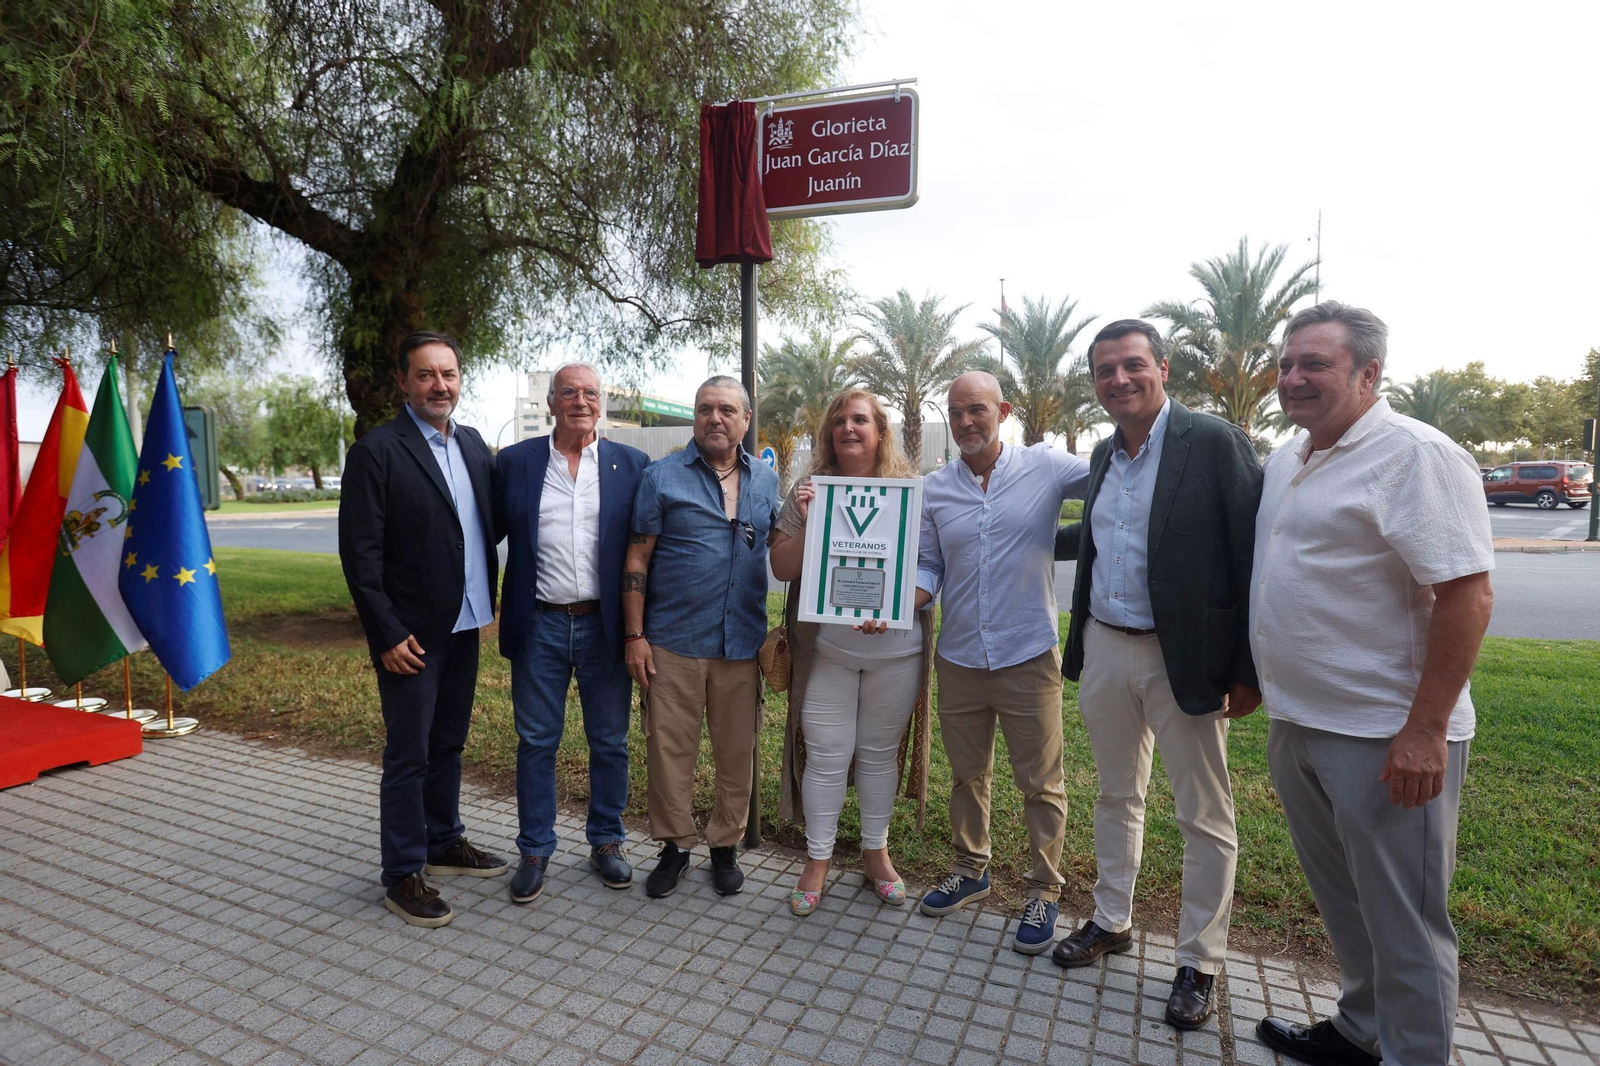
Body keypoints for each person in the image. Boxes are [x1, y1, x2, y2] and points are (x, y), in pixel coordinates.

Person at [1246, 303, 1494, 1066]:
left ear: (1369, 373)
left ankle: (1414, 1054)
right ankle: (1361, 1030)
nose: (1293, 378)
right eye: (1287, 364)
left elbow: (1467, 596)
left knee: (1408, 924)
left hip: (1386, 735)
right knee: (1347, 904)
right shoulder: (1292, 456)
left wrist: (1425, 730)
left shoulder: (1415, 455)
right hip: (1301, 722)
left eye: (1314, 364)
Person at [1048, 320, 1262, 1030]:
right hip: (1108, 649)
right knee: (1115, 796)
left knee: (1204, 814)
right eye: (1105, 371)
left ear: (1163, 368)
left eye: (1132, 365)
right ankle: (1112, 920)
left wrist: (1243, 668)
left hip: (1185, 660)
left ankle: (1200, 960)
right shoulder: (1106, 454)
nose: (1119, 380)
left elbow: (1248, 557)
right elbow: (1108, 539)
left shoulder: (1213, 442)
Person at [914, 370, 1090, 955]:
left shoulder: (1046, 468)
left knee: (1041, 784)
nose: (966, 421)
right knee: (967, 776)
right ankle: (971, 869)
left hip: (1026, 654)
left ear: (1003, 411)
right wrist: (892, 601)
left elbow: (1118, 474)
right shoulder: (935, 489)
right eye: (956, 411)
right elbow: (927, 568)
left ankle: (1044, 887)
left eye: (977, 410)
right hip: (959, 656)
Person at [338, 331, 509, 928]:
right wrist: (385, 634)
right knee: (408, 754)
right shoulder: (376, 452)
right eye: (426, 375)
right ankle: (402, 874)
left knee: (448, 745)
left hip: (465, 624)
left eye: (450, 374)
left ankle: (443, 840)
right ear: (404, 383)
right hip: (410, 636)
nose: (440, 385)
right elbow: (360, 555)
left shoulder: (473, 445)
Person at [769, 390, 933, 915]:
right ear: (828, 434)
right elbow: (783, 568)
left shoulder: (910, 492)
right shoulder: (809, 490)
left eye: (860, 419)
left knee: (879, 755)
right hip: (829, 652)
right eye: (838, 420)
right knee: (826, 753)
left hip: (897, 652)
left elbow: (934, 566)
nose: (848, 428)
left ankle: (874, 853)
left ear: (880, 432)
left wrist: (899, 601)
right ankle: (817, 859)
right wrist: (810, 520)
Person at [495, 363, 649, 904]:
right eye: (569, 392)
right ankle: (534, 849)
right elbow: (484, 530)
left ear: (600, 403)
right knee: (537, 742)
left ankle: (606, 841)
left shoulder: (631, 464)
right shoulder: (516, 462)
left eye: (590, 392)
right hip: (538, 624)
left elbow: (646, 547)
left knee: (610, 741)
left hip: (605, 626)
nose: (580, 400)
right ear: (553, 403)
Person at [622, 375, 781, 899]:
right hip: (672, 642)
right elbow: (638, 557)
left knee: (738, 752)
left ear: (744, 420)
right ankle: (674, 847)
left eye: (727, 410)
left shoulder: (766, 482)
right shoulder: (661, 476)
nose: (715, 418)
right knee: (670, 752)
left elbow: (787, 546)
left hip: (740, 646)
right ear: (695, 417)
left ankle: (723, 847)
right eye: (705, 409)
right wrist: (635, 635)